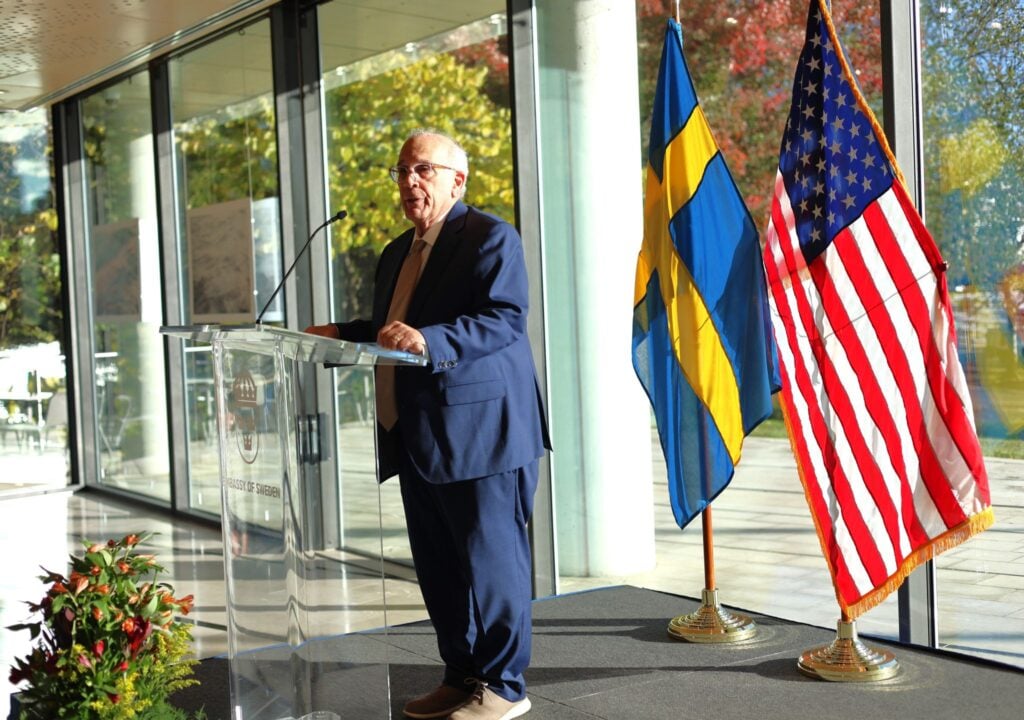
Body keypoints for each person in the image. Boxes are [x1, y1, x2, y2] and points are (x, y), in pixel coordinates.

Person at [306, 129, 550, 720]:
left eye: (424, 170)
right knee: (439, 570)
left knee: (492, 565)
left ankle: (504, 687)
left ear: (457, 179)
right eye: (402, 172)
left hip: (483, 434)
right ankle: (461, 674)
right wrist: (342, 333)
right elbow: (397, 327)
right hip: (414, 435)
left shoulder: (492, 237)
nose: (410, 181)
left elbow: (504, 320)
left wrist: (431, 339)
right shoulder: (397, 252)